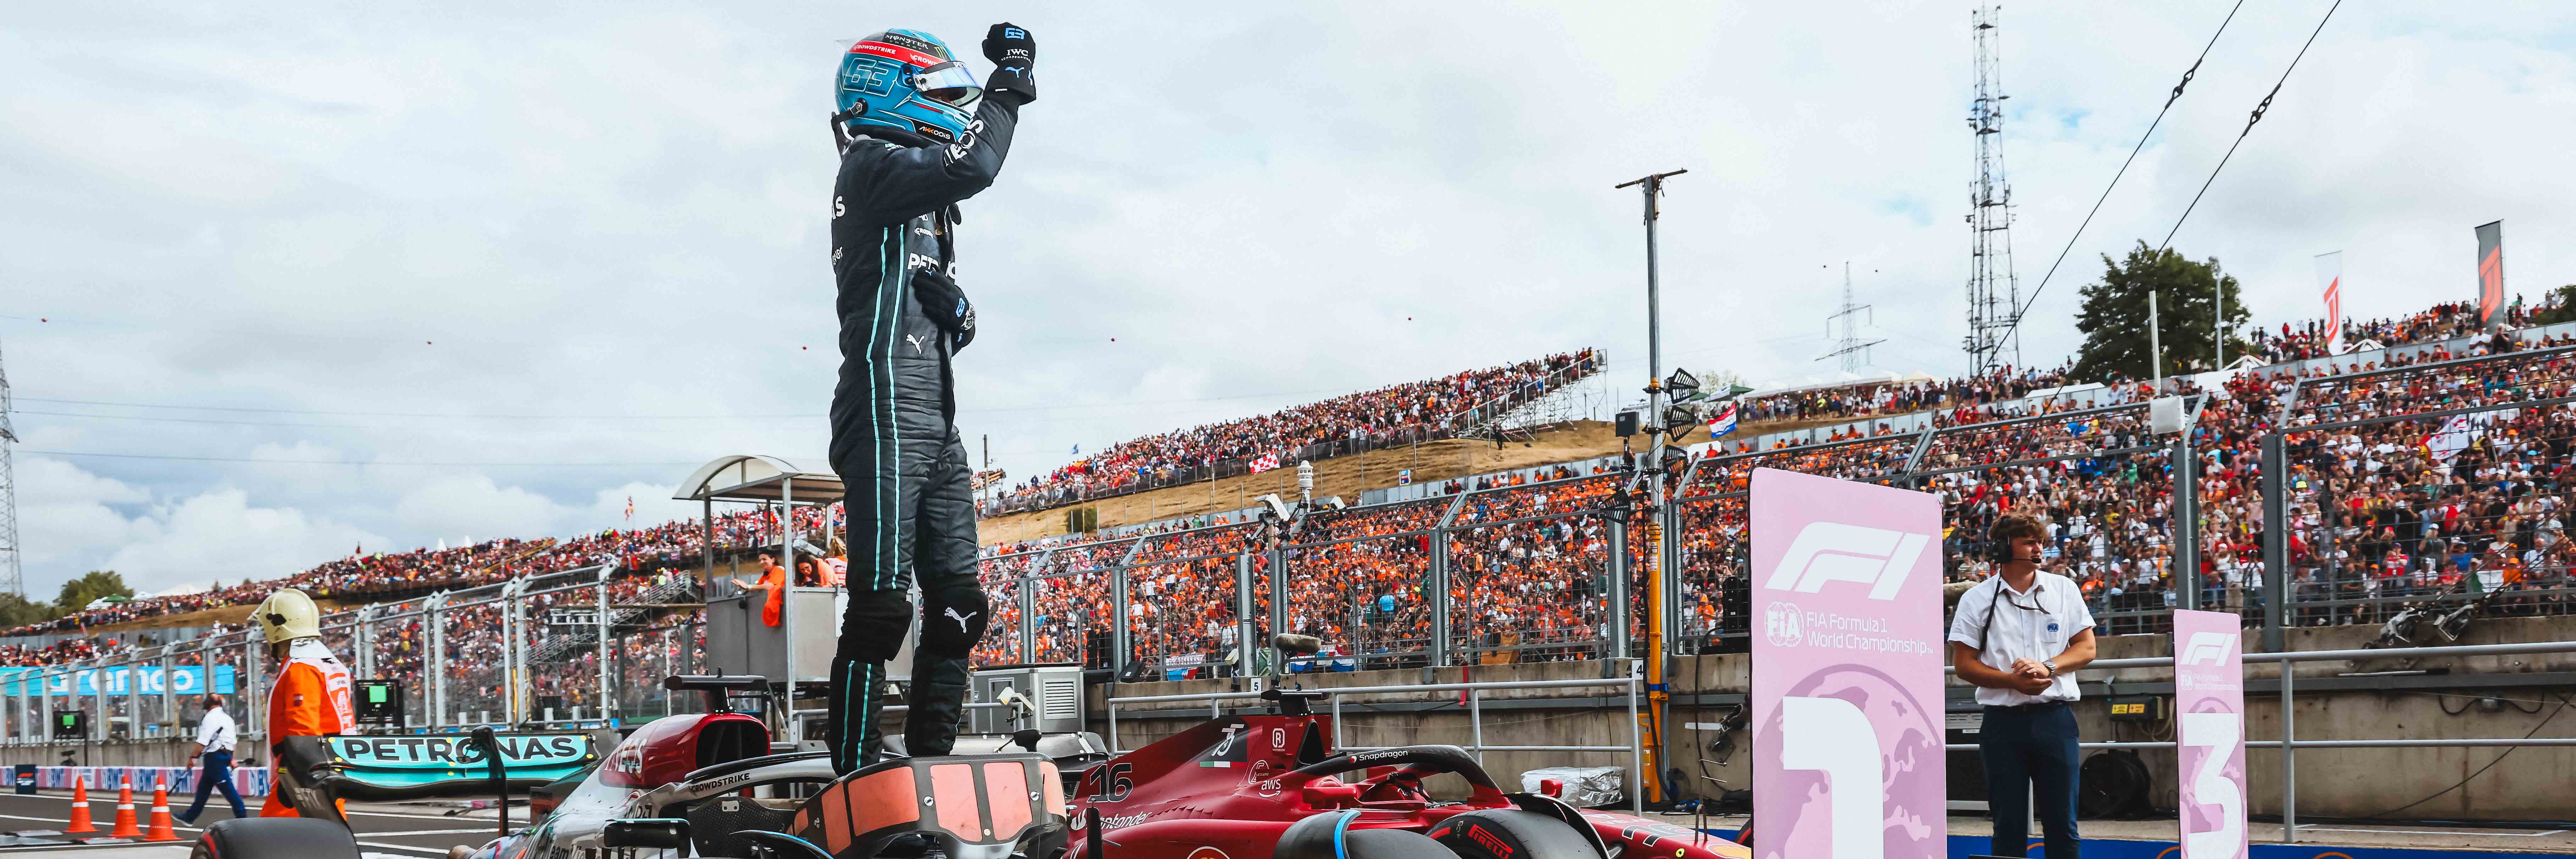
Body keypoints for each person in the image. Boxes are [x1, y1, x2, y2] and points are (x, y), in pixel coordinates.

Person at [822, 22, 1036, 775]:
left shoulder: (924, 200)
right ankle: (852, 767)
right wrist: (1010, 83)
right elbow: (975, 160)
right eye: (941, 91)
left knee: (960, 605)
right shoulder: (874, 165)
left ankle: (931, 766)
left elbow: (925, 317)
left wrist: (962, 317)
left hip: (935, 413)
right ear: (887, 91)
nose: (954, 104)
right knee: (883, 608)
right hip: (881, 406)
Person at [1949, 511, 2097, 859]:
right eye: (2029, 541)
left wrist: (2046, 666)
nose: (2038, 548)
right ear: (2004, 547)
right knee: (2008, 824)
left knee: (2063, 824)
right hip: (2002, 722)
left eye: (2041, 542)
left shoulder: (2064, 589)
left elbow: (2087, 647)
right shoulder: (1976, 599)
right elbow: (1964, 665)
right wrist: (2012, 682)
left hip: (2056, 719)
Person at [253, 588, 354, 819]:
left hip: (304, 777)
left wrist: (298, 775)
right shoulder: (328, 662)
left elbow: (304, 728)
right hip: (329, 769)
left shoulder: (302, 667)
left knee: (265, 844)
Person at [174, 695, 246, 824]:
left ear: (209, 703)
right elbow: (233, 741)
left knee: (228, 789)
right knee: (203, 790)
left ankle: (243, 818)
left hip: (215, 757)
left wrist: (193, 757)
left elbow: (203, 741)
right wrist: (232, 758)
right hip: (225, 755)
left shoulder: (210, 718)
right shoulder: (227, 718)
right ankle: (190, 817)